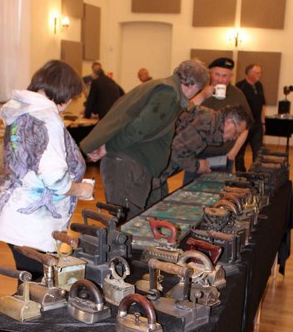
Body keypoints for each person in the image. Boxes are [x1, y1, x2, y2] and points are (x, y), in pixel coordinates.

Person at [0, 59, 94, 278]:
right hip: (32, 224)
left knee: (29, 282)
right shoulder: (47, 118)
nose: (70, 101)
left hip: (15, 215)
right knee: (37, 285)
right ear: (63, 92)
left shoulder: (24, 112)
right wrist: (81, 190)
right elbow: (54, 179)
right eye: (71, 95)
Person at [81, 59, 209, 219]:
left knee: (130, 220)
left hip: (131, 165)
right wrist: (108, 147)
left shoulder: (165, 88)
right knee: (126, 222)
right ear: (193, 85)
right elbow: (139, 128)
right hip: (127, 164)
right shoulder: (168, 93)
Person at [192, 57, 253, 173]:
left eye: (225, 76)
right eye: (217, 74)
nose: (220, 79)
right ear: (210, 73)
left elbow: (245, 128)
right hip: (197, 155)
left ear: (231, 77)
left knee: (220, 184)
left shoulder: (237, 94)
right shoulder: (199, 90)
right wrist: (203, 95)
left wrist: (233, 153)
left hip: (224, 156)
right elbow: (185, 111)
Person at [167, 104, 253, 179]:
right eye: (237, 132)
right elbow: (176, 151)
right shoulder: (207, 122)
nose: (234, 138)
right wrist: (197, 166)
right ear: (229, 122)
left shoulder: (211, 123)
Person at [236, 63, 267, 167]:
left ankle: (256, 172)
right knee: (240, 153)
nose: (260, 75)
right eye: (257, 73)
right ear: (249, 73)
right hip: (244, 125)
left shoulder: (259, 85)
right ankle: (241, 173)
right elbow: (236, 107)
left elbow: (263, 105)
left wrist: (263, 123)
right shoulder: (240, 86)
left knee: (258, 152)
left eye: (260, 73)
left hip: (257, 125)